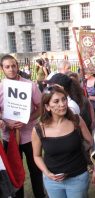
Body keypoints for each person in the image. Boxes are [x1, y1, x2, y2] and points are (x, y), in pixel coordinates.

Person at [32, 85, 93, 198]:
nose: (62, 104)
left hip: (78, 178)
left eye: (64, 99)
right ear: (47, 106)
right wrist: (47, 173)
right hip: (52, 182)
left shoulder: (77, 120)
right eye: (56, 101)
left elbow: (90, 143)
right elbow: (37, 156)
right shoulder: (39, 129)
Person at [0, 54, 45, 198]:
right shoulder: (0, 87)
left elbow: (41, 107)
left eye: (13, 66)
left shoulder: (30, 85)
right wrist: (6, 122)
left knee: (35, 169)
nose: (11, 69)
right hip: (9, 136)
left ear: (17, 66)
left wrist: (27, 119)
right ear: (2, 69)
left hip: (30, 136)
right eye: (7, 67)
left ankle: (40, 194)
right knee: (14, 170)